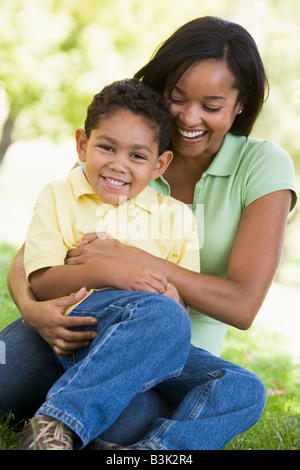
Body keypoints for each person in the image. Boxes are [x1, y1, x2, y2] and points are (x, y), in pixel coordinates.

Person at [1, 16, 297, 448]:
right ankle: (64, 417)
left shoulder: (262, 166)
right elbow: (34, 258)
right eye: (176, 98)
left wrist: (127, 261)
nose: (189, 117)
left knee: (241, 389)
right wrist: (31, 309)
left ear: (240, 104)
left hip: (169, 358)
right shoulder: (120, 154)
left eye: (211, 106)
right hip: (75, 326)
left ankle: (134, 446)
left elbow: (243, 304)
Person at [19, 78, 199, 450]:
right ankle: (57, 423)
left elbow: (179, 310)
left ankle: (151, 452)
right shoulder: (59, 194)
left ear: (159, 164)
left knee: (246, 389)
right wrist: (111, 271)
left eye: (137, 155)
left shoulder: (178, 217)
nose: (119, 165)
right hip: (68, 330)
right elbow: (42, 283)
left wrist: (168, 293)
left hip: (133, 350)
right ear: (83, 145)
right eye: (106, 147)